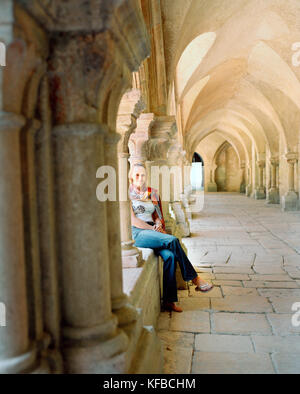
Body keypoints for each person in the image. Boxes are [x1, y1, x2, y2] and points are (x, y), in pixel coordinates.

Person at [129, 163, 213, 313]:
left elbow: (157, 215)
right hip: (138, 233)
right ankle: (194, 278)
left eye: (143, 175)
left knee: (169, 257)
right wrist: (152, 229)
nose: (140, 178)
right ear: (131, 177)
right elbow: (133, 220)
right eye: (137, 175)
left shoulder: (151, 193)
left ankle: (169, 301)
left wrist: (157, 223)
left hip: (153, 231)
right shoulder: (126, 194)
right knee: (172, 240)